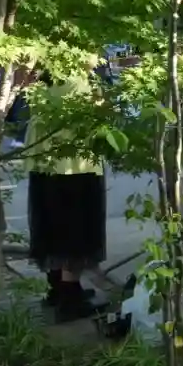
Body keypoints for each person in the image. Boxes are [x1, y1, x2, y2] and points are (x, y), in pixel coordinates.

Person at [25, 74, 107, 320]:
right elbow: (97, 117)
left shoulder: (43, 76)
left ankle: (58, 287)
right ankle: (70, 297)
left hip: (43, 162)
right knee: (76, 231)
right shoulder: (78, 81)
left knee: (51, 228)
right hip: (75, 165)